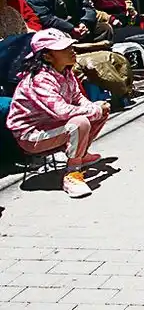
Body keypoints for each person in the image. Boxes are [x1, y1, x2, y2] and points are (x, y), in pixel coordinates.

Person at [6, 28, 111, 198]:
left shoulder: (66, 72)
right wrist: (95, 111)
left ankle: (80, 154)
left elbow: (78, 98)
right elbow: (62, 111)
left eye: (70, 47)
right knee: (81, 122)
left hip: (52, 125)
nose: (71, 51)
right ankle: (72, 174)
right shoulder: (40, 79)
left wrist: (97, 109)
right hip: (31, 136)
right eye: (64, 49)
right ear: (47, 56)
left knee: (98, 109)